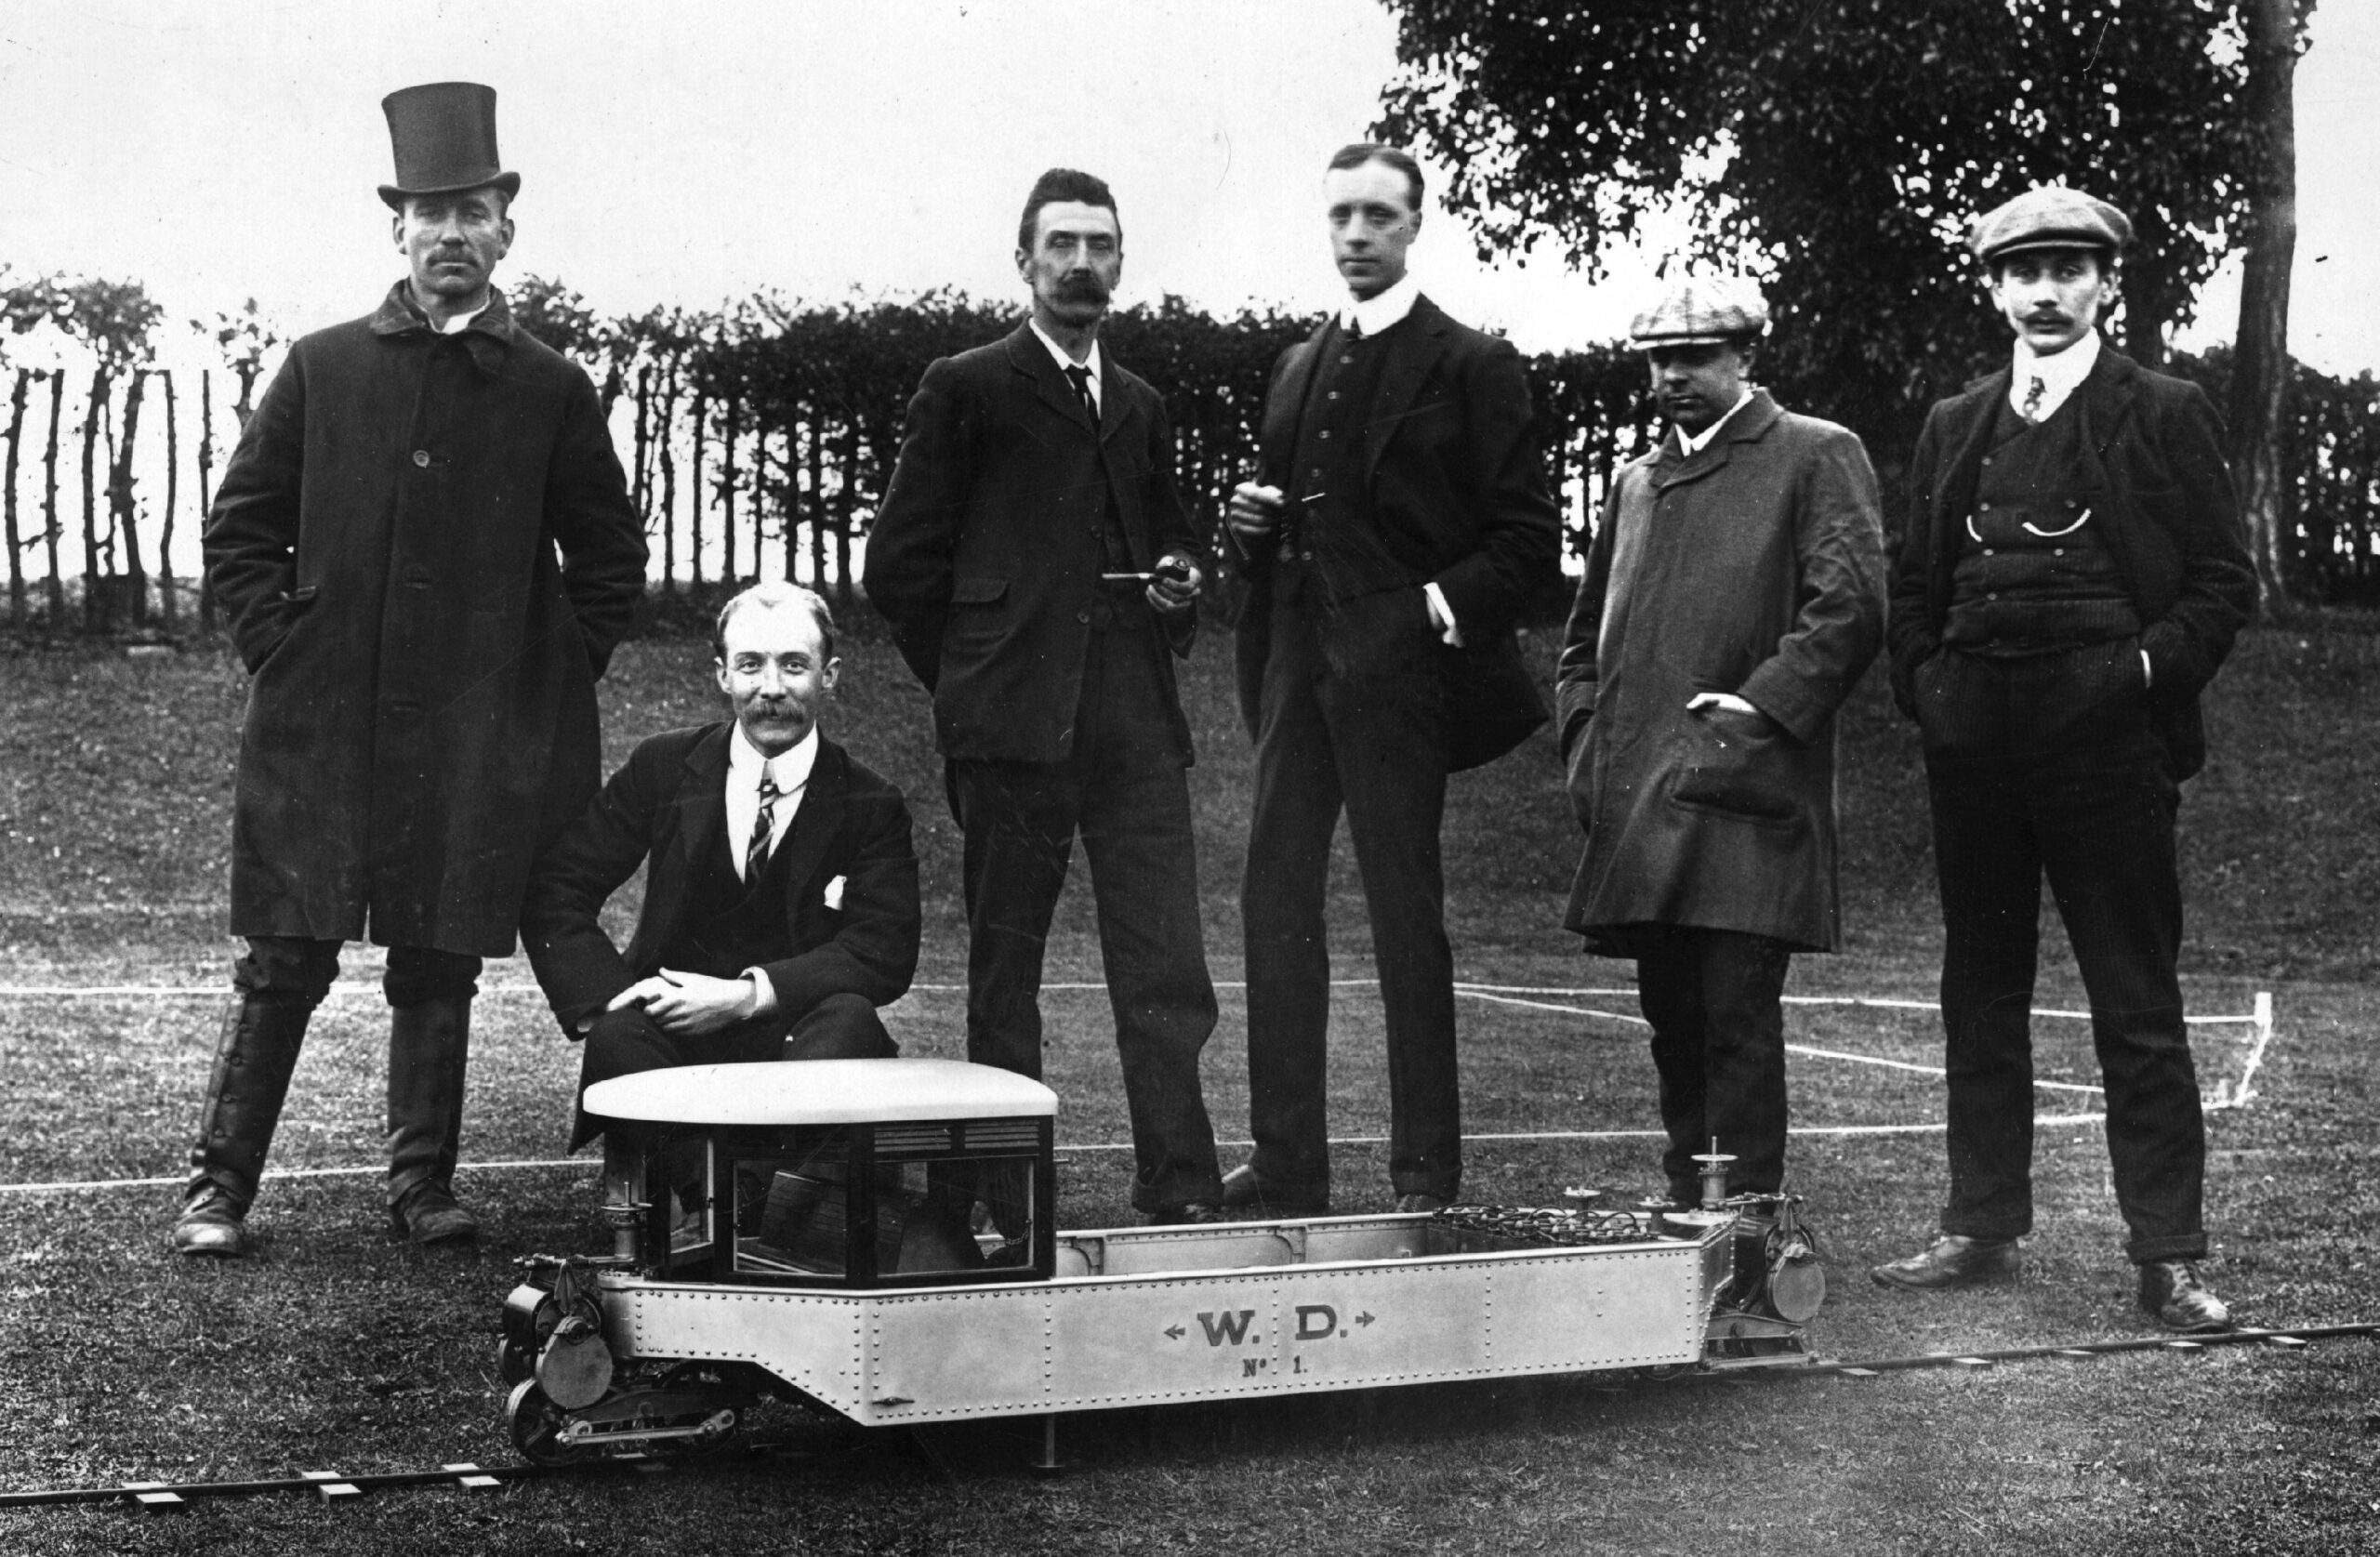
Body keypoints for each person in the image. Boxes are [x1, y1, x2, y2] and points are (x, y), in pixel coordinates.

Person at [179, 82, 645, 1257]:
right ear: (397, 228)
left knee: (438, 957)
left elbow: (606, 559)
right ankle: (219, 1189)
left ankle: (421, 1188)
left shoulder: (549, 387)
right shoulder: (324, 367)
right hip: (322, 722)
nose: (449, 234)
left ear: (505, 229)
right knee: (285, 956)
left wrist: (542, 677)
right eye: (428, 213)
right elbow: (239, 527)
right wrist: (281, 650)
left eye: (471, 212)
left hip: (471, 732)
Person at [1872, 187, 2255, 1332]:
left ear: (2104, 283)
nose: (2043, 291)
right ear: (1991, 286)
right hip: (1974, 745)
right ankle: (1979, 1223)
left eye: (2066, 269)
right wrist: (1928, 688)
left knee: (2132, 996)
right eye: (2021, 270)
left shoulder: (2165, 408)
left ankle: (2168, 1256)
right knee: (1978, 991)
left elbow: (2220, 585)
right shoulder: (1955, 421)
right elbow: (1913, 583)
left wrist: (2135, 679)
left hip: (2106, 749)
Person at [863, 168, 1226, 1224]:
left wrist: (1180, 584)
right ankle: (1003, 1194)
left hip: (1136, 733)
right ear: (1022, 261)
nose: (1079, 264)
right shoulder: (966, 385)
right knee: (1004, 970)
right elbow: (899, 567)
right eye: (1059, 244)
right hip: (1011, 730)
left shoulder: (1143, 404)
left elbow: (1174, 543)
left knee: (1165, 966)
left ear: (1121, 263)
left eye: (1098, 246)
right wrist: (973, 677)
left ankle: (1182, 1183)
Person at [1219, 143, 1560, 1216]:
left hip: (1401, 687)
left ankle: (1424, 1169)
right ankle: (1286, 1160)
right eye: (1340, 218)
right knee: (1272, 902)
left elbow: (1525, 546)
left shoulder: (1470, 363)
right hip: (1294, 680)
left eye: (1377, 216)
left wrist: (1421, 612)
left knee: (1404, 918)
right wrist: (1246, 531)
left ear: (1416, 225)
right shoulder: (1292, 365)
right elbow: (1281, 528)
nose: (1356, 236)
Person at [1557, 277, 1886, 1210]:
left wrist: (1760, 706)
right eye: (1660, 358)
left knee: (1735, 1012)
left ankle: (1745, 1223)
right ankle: (1684, 1204)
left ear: (1746, 356)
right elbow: (1582, 641)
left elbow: (1851, 607)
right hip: (1639, 802)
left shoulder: (1814, 453)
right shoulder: (1635, 481)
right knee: (1673, 1017)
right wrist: (1585, 737)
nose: (1674, 376)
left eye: (1697, 356)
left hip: (1747, 793)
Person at [521, 584, 917, 1157]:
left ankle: (760, 1211)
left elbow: (883, 950)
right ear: (723, 675)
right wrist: (608, 996)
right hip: (674, 1033)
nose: (772, 688)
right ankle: (709, 1207)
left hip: (797, 1034)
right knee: (619, 1036)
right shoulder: (663, 765)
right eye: (751, 665)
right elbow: (558, 886)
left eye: (794, 665)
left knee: (850, 1021)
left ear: (828, 676)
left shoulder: (871, 802)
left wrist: (745, 996)